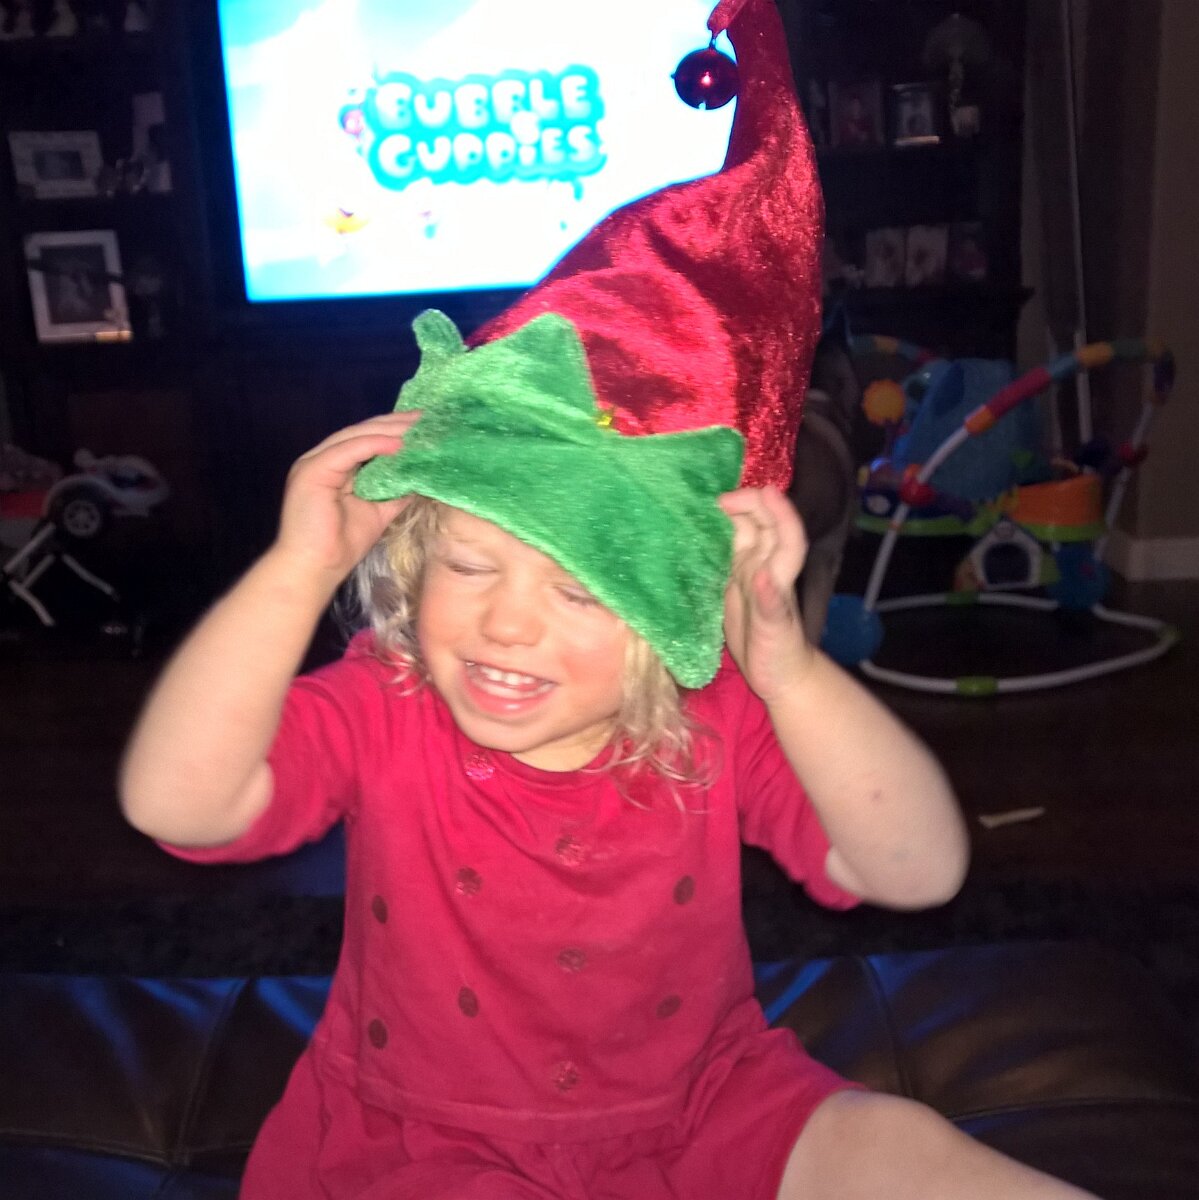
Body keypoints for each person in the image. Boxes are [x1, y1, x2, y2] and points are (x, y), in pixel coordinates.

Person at [120, 2, 1100, 1195]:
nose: (504, 620)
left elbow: (914, 871)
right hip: (431, 1141)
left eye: (581, 593)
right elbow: (181, 801)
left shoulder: (715, 710)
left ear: (671, 605)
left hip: (705, 1103)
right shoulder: (387, 699)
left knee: (904, 1152)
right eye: (466, 565)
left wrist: (787, 670)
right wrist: (293, 570)